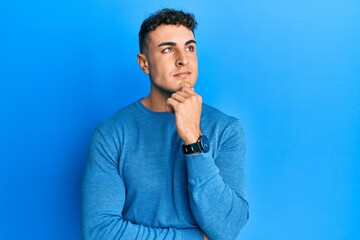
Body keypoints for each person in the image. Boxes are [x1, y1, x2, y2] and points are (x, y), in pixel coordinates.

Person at [81, 8, 249, 240]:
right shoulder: (111, 134)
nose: (183, 59)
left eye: (190, 47)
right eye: (168, 49)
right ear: (144, 63)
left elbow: (227, 228)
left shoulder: (226, 129)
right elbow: (100, 232)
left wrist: (193, 139)